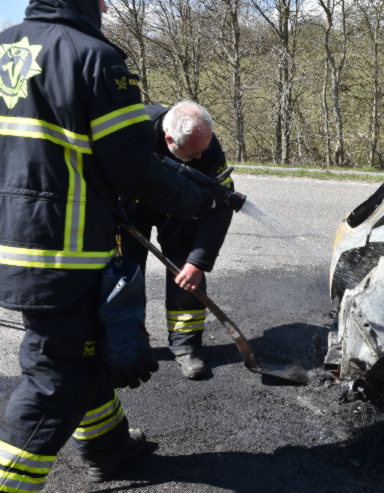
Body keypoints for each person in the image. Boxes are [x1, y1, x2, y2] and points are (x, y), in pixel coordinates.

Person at [0, 0, 214, 488]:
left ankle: (108, 448)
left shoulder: (5, 45)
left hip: (12, 243)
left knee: (80, 353)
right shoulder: (92, 56)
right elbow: (133, 168)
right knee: (56, 382)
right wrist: (196, 201)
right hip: (64, 250)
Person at [120, 101, 234, 380]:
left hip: (180, 205)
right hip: (129, 208)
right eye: (192, 152)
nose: (199, 157)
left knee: (186, 271)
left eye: (202, 151)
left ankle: (186, 347)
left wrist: (199, 262)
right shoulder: (132, 131)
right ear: (168, 139)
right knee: (126, 276)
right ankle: (131, 343)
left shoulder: (205, 145)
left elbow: (222, 205)